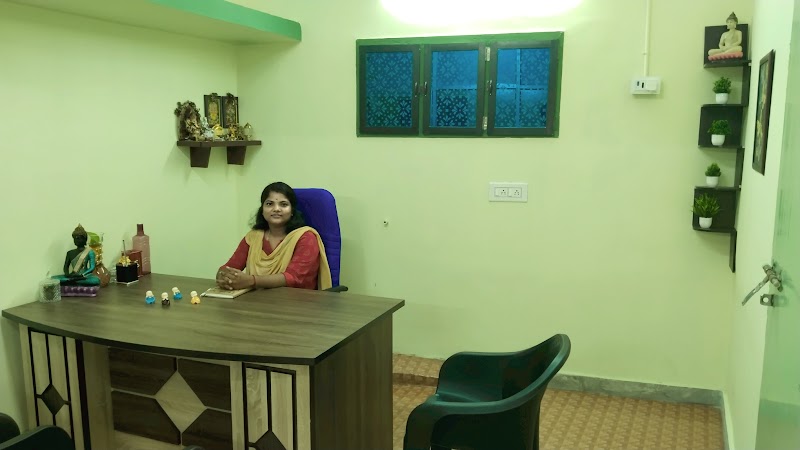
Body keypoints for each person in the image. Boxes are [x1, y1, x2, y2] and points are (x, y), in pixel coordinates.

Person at [217, 182, 333, 291]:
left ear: (292, 211)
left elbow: (293, 278)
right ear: (262, 210)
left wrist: (251, 281)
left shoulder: (305, 238)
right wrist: (224, 277)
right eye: (269, 204)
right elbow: (229, 267)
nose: (276, 209)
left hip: (297, 301)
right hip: (257, 300)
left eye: (283, 204)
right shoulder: (254, 237)